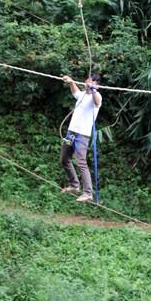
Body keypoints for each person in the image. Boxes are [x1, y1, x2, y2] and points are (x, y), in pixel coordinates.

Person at [59, 72, 101, 203]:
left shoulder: (97, 95)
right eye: (88, 81)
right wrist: (71, 81)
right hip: (71, 132)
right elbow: (75, 92)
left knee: (81, 161)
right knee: (64, 159)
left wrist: (93, 90)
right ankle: (74, 185)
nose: (88, 83)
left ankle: (88, 192)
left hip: (82, 135)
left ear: (97, 85)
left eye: (92, 82)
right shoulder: (82, 95)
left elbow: (97, 101)